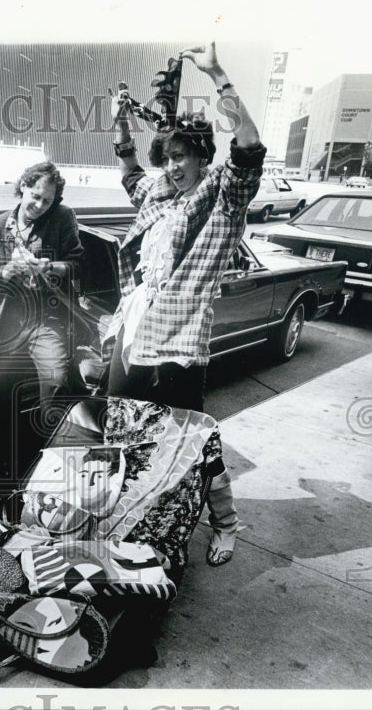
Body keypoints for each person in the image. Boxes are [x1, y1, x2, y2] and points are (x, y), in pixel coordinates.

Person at [107, 42, 267, 567]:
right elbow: (130, 170)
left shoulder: (223, 195)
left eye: (182, 156)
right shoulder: (159, 195)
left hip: (178, 335)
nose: (173, 166)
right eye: (169, 157)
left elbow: (249, 147)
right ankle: (125, 517)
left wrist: (219, 74)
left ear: (203, 156)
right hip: (134, 330)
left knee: (192, 438)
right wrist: (123, 124)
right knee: (120, 427)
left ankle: (225, 523)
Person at [0, 161, 85, 470]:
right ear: (23, 187)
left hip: (46, 319)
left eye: (47, 200)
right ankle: (2, 463)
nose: (39, 205)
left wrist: (49, 266)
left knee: (56, 383)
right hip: (7, 321)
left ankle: (54, 463)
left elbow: (79, 265)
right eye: (35, 195)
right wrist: (8, 270)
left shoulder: (63, 219)